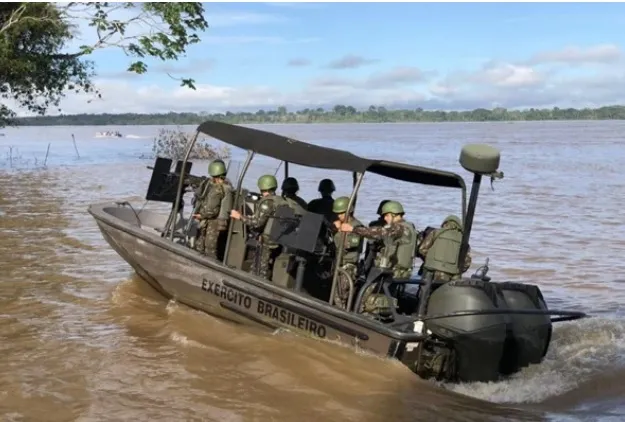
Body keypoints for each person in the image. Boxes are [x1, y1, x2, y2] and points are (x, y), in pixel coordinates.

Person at [340, 200, 418, 316]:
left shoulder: (401, 228)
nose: (385, 219)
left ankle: (361, 316)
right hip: (399, 272)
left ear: (394, 214)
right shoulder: (409, 228)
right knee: (381, 297)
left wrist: (353, 229)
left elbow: (381, 232)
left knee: (366, 296)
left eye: (386, 215)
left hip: (393, 273)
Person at [230, 174, 284, 280]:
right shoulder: (280, 200)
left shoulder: (267, 202)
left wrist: (239, 216)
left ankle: (257, 286)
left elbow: (256, 223)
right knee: (262, 266)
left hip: (266, 240)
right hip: (276, 239)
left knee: (259, 269)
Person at [193, 159, 233, 259]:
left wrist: (201, 215)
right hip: (216, 221)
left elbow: (212, 210)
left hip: (213, 222)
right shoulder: (227, 186)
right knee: (205, 246)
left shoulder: (218, 189)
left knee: (208, 248)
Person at [331, 196, 363, 309]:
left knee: (342, 296)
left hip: (348, 266)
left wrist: (339, 232)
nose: (339, 216)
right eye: (337, 213)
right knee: (336, 294)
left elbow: (347, 245)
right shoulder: (341, 224)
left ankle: (342, 315)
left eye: (341, 213)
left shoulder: (356, 227)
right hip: (339, 263)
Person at [418, 215, 472, 282]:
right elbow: (467, 262)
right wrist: (456, 270)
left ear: (445, 223)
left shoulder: (436, 232)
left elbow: (422, 249)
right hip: (449, 273)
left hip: (430, 269)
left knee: (424, 290)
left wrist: (429, 259)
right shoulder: (463, 239)